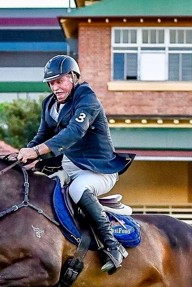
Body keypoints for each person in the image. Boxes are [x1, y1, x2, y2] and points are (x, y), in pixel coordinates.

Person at [14, 54, 134, 273]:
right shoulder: (49, 104)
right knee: (39, 188)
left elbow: (75, 131)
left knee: (78, 189)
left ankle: (113, 246)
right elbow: (41, 136)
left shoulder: (86, 98)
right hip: (68, 169)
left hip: (98, 171)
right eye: (51, 83)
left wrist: (37, 152)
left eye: (59, 81)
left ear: (73, 77)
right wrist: (24, 154)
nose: (55, 87)